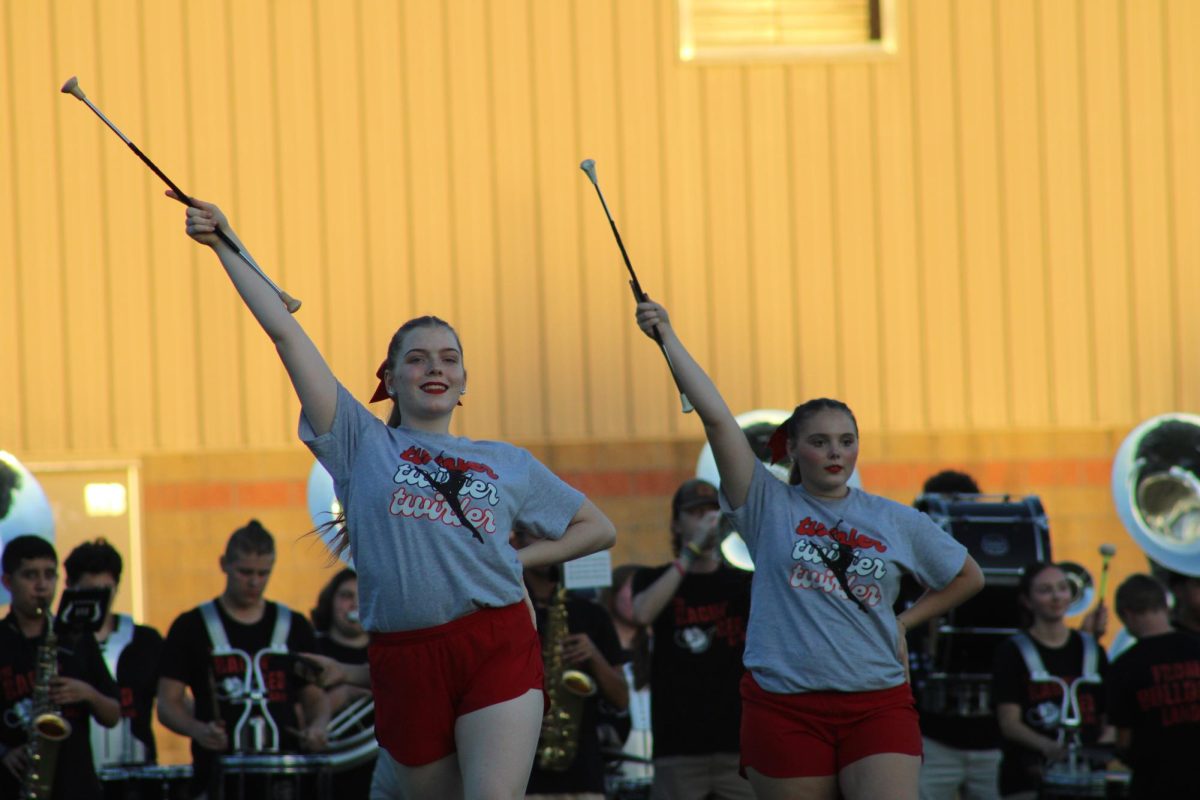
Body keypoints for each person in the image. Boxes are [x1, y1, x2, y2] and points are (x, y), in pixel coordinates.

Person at [174, 195, 617, 800]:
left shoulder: (506, 461)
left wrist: (520, 561)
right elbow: (284, 333)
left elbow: (597, 528)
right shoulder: (361, 441)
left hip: (496, 640)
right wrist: (225, 243)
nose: (435, 367)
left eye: (449, 359)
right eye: (417, 358)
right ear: (390, 376)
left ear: (462, 382)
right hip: (403, 657)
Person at [633, 299, 984, 800]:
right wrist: (667, 336)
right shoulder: (765, 503)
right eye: (820, 441)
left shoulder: (892, 517)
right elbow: (716, 420)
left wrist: (902, 622)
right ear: (792, 448)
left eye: (846, 440)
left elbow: (968, 576)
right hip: (784, 705)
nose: (835, 451)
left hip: (877, 700)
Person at [156, 520, 330, 799]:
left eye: (263, 573)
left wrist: (318, 727)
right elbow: (168, 703)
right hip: (217, 776)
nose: (254, 582)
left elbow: (315, 697)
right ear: (224, 564)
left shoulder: (294, 625)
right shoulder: (191, 626)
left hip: (282, 778)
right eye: (245, 572)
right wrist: (198, 730)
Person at [629, 478, 754, 800]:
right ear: (676, 525)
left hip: (738, 747)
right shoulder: (653, 578)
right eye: (695, 513)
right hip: (678, 747)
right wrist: (690, 553)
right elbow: (641, 614)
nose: (706, 519)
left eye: (712, 511)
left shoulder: (742, 583)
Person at [0, 535, 120, 800]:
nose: (42, 586)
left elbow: (113, 714)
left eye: (49, 575)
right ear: (8, 582)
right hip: (15, 783)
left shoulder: (76, 636)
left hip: (78, 785)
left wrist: (87, 693)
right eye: (30, 576)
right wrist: (4, 752)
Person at [513, 527, 628, 800]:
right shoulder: (508, 613)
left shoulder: (592, 614)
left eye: (554, 534)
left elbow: (622, 699)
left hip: (584, 775)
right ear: (517, 540)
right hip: (523, 779)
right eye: (538, 533)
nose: (550, 543)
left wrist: (594, 656)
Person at [992, 562, 1111, 800]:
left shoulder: (1091, 649)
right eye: (1045, 590)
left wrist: (1099, 749)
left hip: (1087, 779)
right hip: (1028, 780)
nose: (1056, 596)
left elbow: (1110, 715)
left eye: (1062, 588)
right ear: (1027, 600)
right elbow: (1009, 723)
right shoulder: (1012, 651)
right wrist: (1049, 748)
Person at [63, 539, 164, 769]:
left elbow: (171, 699)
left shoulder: (146, 641)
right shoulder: (56, 644)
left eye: (105, 591)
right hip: (73, 774)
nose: (98, 600)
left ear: (117, 587)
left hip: (135, 769)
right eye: (90, 592)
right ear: (70, 587)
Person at [1106, 573, 1200, 800]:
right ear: (1165, 607)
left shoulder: (1124, 666)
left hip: (1155, 783)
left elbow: (1124, 739)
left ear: (1127, 615)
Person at [310, 568, 373, 799]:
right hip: (327, 771)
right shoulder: (312, 648)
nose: (355, 604)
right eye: (346, 596)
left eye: (363, 595)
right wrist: (345, 694)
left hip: (378, 767)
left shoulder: (385, 652)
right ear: (331, 601)